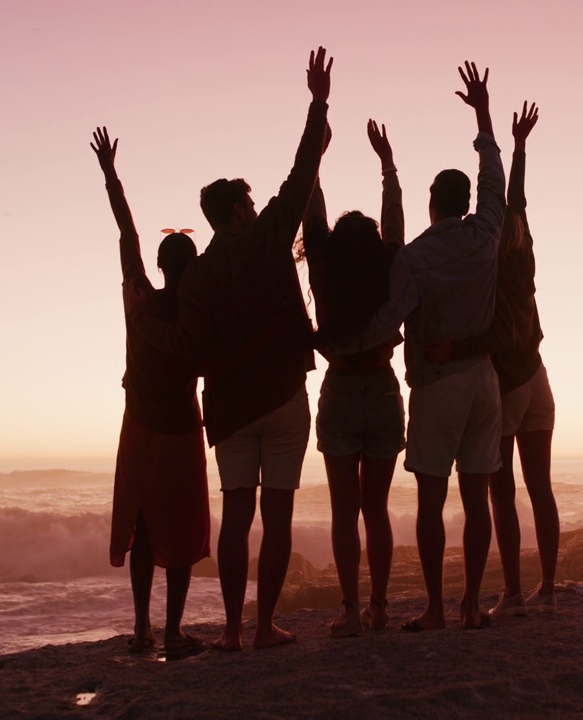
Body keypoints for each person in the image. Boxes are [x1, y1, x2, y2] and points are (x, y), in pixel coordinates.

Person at [128, 47, 332, 650]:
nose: (253, 203)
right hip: (285, 399)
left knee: (237, 516)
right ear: (240, 209)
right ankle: (266, 625)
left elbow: (186, 345)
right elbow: (301, 174)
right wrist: (318, 103)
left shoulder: (202, 276)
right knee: (278, 517)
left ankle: (235, 631)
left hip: (231, 411)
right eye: (248, 198)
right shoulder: (271, 234)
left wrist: (145, 329)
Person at [330, 62, 505, 631]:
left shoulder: (416, 257)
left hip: (440, 383)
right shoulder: (486, 236)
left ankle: (434, 608)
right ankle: (472, 606)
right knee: (477, 499)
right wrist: (481, 112)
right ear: (465, 201)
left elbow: (390, 318)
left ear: (434, 201)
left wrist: (344, 343)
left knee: (432, 501)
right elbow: (494, 172)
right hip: (485, 382)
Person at [427, 102, 560, 617]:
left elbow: (492, 338)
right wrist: (518, 145)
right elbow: (515, 198)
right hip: (539, 381)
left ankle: (510, 594)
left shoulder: (491, 262)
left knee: (501, 495)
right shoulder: (524, 256)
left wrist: (455, 349)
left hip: (506, 385)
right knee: (541, 489)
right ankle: (546, 591)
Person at [91, 126, 210, 661]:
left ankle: (141, 631)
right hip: (182, 431)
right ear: (195, 267)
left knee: (141, 528)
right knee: (181, 534)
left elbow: (127, 236)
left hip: (138, 428)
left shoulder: (139, 300)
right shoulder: (196, 315)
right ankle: (174, 631)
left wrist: (112, 177)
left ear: (161, 267)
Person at [301, 120, 405, 636]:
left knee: (345, 512)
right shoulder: (388, 271)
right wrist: (387, 165)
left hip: (340, 390)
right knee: (377, 510)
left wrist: (317, 159)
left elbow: (311, 212)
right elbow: (395, 228)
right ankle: (380, 607)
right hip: (384, 390)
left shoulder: (324, 270)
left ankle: (348, 611)